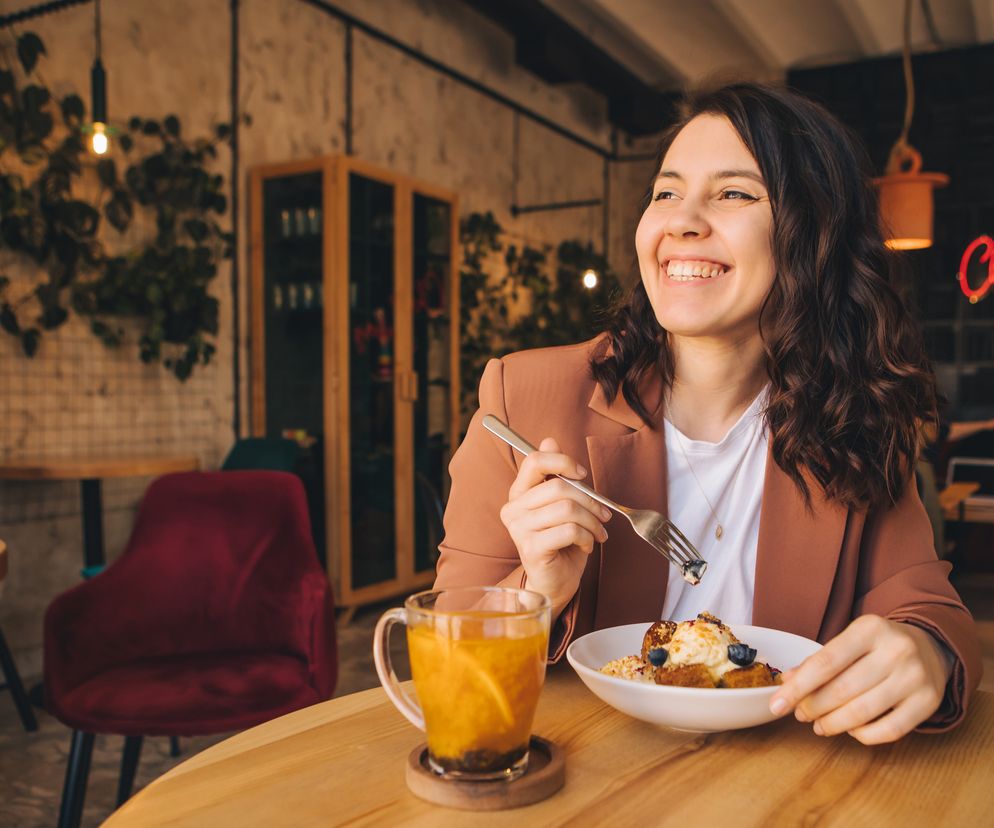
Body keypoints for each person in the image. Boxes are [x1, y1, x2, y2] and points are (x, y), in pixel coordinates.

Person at [434, 82, 981, 743]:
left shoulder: (855, 419)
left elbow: (930, 610)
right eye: (666, 192)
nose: (681, 220)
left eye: (734, 193)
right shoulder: (523, 397)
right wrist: (537, 591)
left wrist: (926, 654)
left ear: (812, 235)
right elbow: (445, 654)